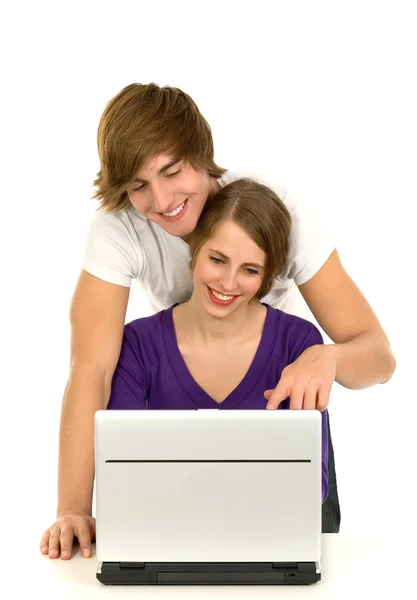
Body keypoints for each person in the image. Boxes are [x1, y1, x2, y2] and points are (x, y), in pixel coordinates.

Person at [40, 83, 396, 560]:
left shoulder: (281, 211)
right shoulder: (118, 228)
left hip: (279, 419)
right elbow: (91, 370)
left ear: (202, 155)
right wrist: (73, 509)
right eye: (139, 185)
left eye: (171, 171)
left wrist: (325, 356)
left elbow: (377, 355)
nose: (162, 200)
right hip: (178, 431)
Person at [106, 178, 329, 507]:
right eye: (218, 260)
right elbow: (122, 478)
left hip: (271, 539)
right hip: (167, 539)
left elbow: (310, 486)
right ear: (195, 251)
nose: (228, 282)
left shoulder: (299, 343)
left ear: (266, 276)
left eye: (249, 270)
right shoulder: (138, 345)